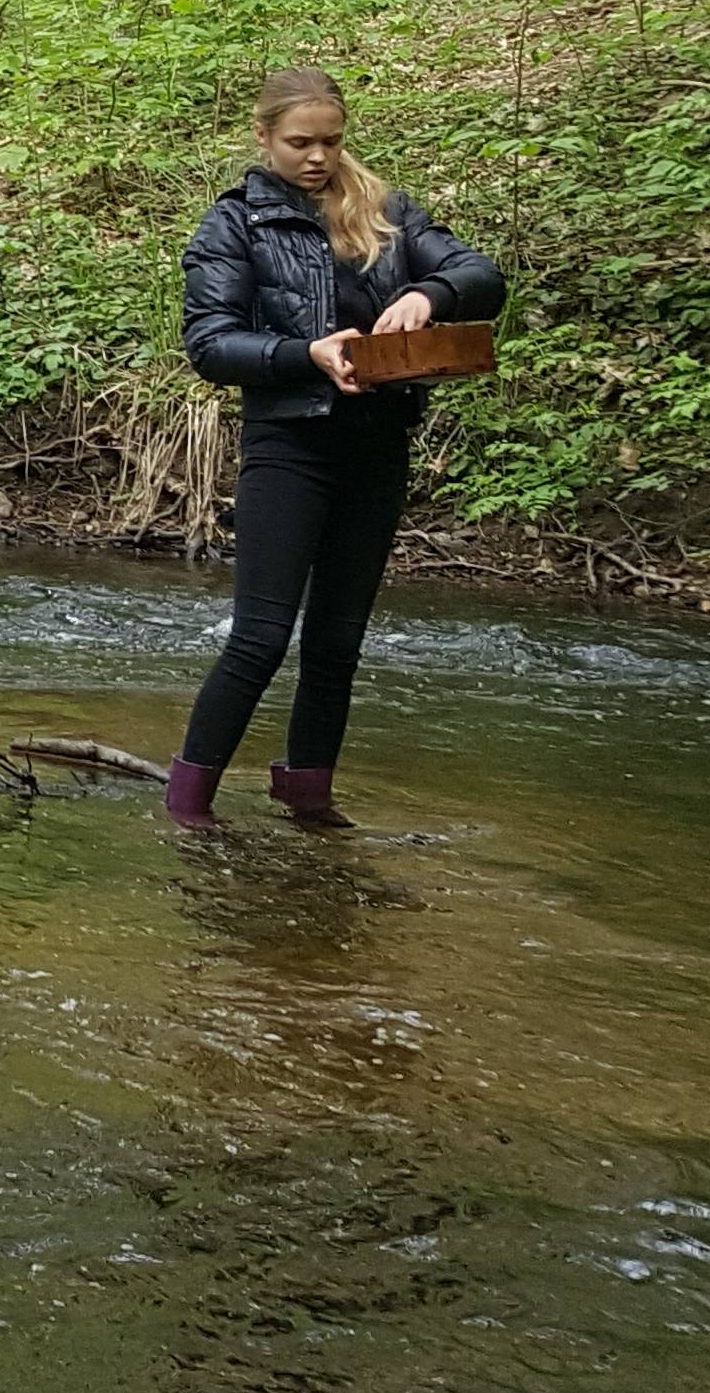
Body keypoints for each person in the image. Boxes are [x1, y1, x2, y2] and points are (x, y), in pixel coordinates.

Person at [168, 68, 509, 830]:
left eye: (331, 141)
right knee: (259, 637)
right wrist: (305, 354)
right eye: (300, 142)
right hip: (289, 442)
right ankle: (188, 805)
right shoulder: (234, 225)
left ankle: (308, 797)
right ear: (263, 137)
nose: (317, 157)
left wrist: (431, 294)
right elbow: (211, 344)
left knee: (337, 641)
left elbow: (480, 273)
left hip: (378, 444)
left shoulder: (384, 209)